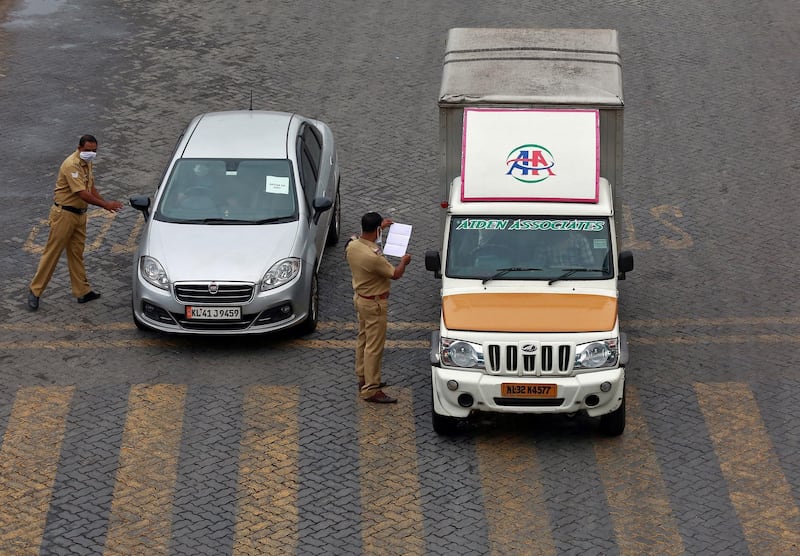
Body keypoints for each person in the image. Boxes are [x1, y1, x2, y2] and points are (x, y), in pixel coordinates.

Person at [26, 135, 124, 311]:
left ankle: (82, 291)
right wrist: (104, 204)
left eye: (94, 151)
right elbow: (82, 193)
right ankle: (35, 291)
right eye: (88, 150)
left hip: (79, 215)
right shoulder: (71, 164)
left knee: (76, 253)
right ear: (79, 148)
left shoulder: (87, 163)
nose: (91, 154)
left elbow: (90, 187)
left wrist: (105, 204)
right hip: (64, 214)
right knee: (52, 253)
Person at [346, 212, 411, 403]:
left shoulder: (353, 245)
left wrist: (380, 228)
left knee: (363, 340)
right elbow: (395, 274)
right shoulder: (373, 257)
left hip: (360, 299)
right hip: (375, 304)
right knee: (374, 347)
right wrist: (404, 262)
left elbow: (356, 238)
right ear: (376, 229)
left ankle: (362, 377)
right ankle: (371, 388)